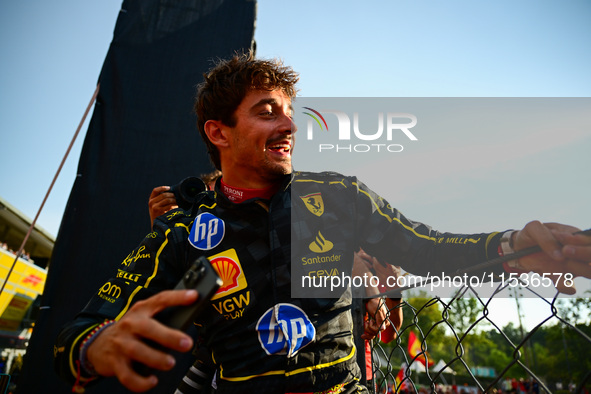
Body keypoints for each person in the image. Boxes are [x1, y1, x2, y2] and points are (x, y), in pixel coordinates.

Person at [54, 51, 591, 394]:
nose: (289, 124)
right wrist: (94, 346)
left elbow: (430, 247)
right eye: (268, 110)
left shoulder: (336, 195)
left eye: (290, 110)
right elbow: (76, 333)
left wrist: (510, 245)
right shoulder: (182, 230)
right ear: (219, 133)